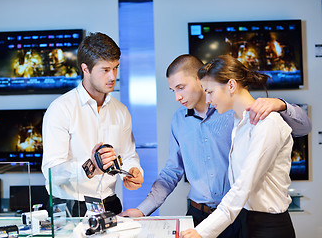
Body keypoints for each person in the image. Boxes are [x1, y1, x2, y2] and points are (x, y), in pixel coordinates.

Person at [119, 54, 311, 237]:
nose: (177, 97)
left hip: (237, 215)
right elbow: (171, 171)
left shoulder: (241, 114)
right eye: (173, 90)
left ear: (200, 80)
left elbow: (302, 128)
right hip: (199, 213)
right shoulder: (181, 120)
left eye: (180, 87)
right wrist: (142, 210)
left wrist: (281, 104)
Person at [181, 55, 297, 238]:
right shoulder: (239, 122)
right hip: (243, 222)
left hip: (268, 228)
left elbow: (242, 188)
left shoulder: (267, 123)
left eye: (210, 92)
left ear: (231, 86)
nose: (208, 99)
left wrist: (201, 232)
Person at [42, 32, 144, 217]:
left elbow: (128, 155)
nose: (112, 76)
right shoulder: (60, 109)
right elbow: (51, 172)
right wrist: (91, 167)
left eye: (115, 68)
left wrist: (132, 172)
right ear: (85, 69)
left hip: (110, 204)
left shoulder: (121, 111)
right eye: (105, 70)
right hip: (69, 208)